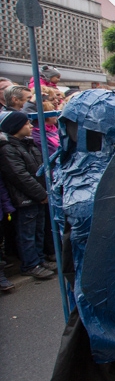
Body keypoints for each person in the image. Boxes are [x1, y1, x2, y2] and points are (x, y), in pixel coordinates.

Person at [0, 111, 53, 279]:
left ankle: (39, 259)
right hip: (25, 199)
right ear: (16, 127)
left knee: (38, 230)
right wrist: (40, 194)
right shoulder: (7, 149)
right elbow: (19, 176)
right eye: (26, 123)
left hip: (39, 195)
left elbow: (39, 168)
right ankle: (30, 264)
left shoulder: (27, 143)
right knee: (27, 233)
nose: (31, 126)